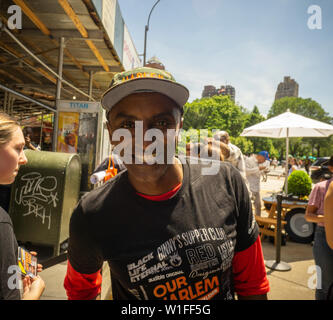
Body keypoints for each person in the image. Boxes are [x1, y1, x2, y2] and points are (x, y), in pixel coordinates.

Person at [64, 67, 269, 300]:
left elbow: (253, 286)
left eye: (161, 122)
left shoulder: (226, 182)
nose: (144, 141)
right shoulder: (91, 214)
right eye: (128, 125)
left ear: (179, 126)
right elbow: (81, 293)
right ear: (110, 132)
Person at [0, 112, 45, 300]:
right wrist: (33, 294)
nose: (24, 158)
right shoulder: (2, 222)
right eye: (18, 148)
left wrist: (10, 258)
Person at [305, 155, 333, 300]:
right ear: (331, 168)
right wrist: (328, 218)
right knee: (325, 285)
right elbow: (309, 216)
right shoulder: (320, 188)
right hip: (323, 235)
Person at [244, 151, 270, 217]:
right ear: (260, 156)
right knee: (247, 207)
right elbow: (246, 171)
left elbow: (256, 174)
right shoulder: (249, 160)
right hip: (249, 188)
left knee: (258, 206)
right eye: (264, 159)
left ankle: (258, 221)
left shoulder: (258, 163)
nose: (264, 161)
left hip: (256, 189)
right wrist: (258, 168)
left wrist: (263, 171)